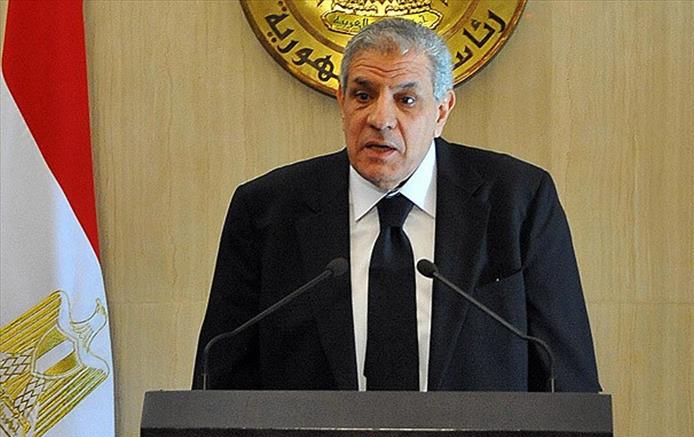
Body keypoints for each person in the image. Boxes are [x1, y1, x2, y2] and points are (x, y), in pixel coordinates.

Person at [192, 18, 600, 392]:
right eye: (363, 95)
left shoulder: (519, 201)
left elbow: (566, 381)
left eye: (406, 100)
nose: (380, 118)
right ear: (342, 101)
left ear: (442, 111)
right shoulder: (266, 211)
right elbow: (220, 383)